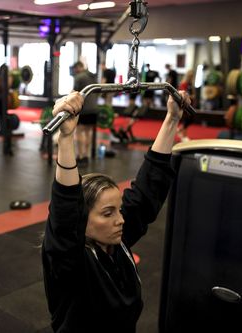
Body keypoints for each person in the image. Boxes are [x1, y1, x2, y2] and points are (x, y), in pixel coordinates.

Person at [42, 89, 190, 332]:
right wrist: (66, 139)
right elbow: (65, 211)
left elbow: (146, 192)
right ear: (81, 221)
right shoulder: (69, 262)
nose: (120, 220)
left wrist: (172, 118)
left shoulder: (116, 243)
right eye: (108, 213)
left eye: (118, 210)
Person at [72, 61, 97, 166]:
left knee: (79, 131)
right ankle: (86, 155)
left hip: (84, 109)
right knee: (88, 132)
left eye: (75, 69)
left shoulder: (79, 77)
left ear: (78, 68)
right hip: (94, 108)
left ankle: (80, 156)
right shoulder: (92, 76)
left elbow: (74, 93)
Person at [177, 69, 196, 142]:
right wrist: (191, 96)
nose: (191, 78)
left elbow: (193, 94)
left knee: (191, 120)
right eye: (190, 76)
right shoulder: (183, 84)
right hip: (185, 104)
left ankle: (180, 130)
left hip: (191, 104)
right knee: (187, 120)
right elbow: (182, 94)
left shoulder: (190, 84)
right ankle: (184, 136)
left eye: (192, 77)